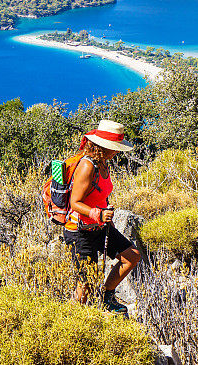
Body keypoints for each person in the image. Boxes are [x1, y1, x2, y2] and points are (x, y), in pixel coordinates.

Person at [64, 119, 141, 314]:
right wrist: (97, 213)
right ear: (102, 146)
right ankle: (73, 319)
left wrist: (109, 221)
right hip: (80, 231)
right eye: (114, 147)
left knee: (131, 256)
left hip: (100, 227)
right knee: (86, 284)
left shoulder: (104, 164)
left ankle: (107, 297)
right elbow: (75, 202)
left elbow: (101, 195)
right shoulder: (87, 166)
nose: (117, 151)